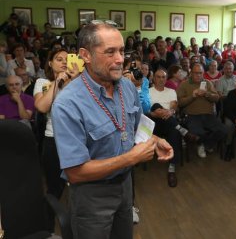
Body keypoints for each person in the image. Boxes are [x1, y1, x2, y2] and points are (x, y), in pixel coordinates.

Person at [51, 22, 173, 238]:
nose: (120, 59)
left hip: (125, 188)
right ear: (85, 55)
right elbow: (75, 172)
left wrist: (155, 140)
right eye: (110, 52)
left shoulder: (126, 87)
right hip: (91, 197)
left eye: (121, 50)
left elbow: (134, 128)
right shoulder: (67, 104)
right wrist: (131, 158)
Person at [33, 48, 80, 232]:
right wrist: (58, 81)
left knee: (77, 189)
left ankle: (77, 228)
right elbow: (42, 107)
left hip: (76, 142)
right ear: (50, 63)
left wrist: (74, 80)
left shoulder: (78, 83)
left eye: (67, 59)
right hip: (53, 141)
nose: (63, 62)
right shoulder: (43, 82)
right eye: (58, 59)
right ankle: (48, 228)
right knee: (54, 189)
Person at [177, 63, 226, 158]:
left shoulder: (207, 83)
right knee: (198, 132)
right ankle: (201, 144)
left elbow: (216, 98)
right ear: (191, 73)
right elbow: (180, 103)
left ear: (203, 73)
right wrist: (193, 96)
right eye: (195, 73)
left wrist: (207, 94)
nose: (198, 75)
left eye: (200, 73)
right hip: (192, 115)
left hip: (208, 115)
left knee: (223, 130)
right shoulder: (184, 84)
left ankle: (206, 144)